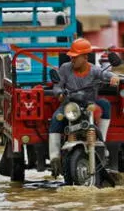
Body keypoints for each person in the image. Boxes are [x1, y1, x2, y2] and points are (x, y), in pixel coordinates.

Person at [49, 38, 120, 176]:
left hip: (89, 105)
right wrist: (60, 94)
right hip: (69, 105)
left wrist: (114, 77)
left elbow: (106, 74)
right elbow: (57, 86)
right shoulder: (64, 68)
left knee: (105, 104)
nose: (72, 59)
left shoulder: (95, 70)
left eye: (75, 57)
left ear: (85, 57)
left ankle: (102, 142)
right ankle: (54, 157)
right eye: (71, 57)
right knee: (56, 118)